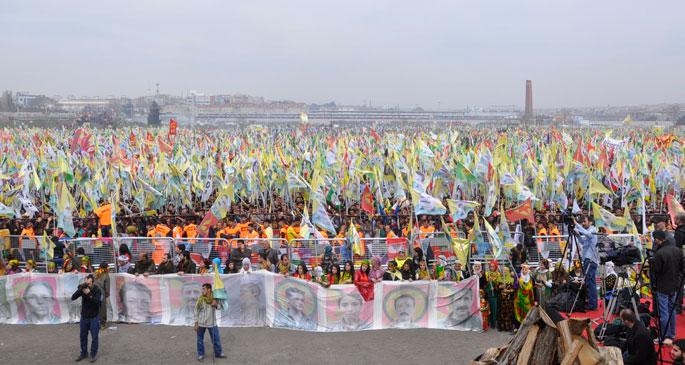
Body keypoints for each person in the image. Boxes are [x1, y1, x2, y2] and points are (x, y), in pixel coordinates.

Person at [651, 230, 684, 345]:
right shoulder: (678, 251)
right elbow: (681, 268)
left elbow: (656, 271)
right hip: (674, 285)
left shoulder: (660, 253)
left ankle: (664, 336)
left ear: (657, 239)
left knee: (664, 312)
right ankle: (672, 334)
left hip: (663, 286)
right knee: (672, 310)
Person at [71, 274, 103, 362]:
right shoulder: (83, 288)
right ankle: (83, 353)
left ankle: (93, 354)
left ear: (92, 281)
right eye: (86, 281)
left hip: (94, 317)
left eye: (88, 281)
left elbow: (97, 303)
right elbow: (73, 297)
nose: (87, 283)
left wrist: (89, 294)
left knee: (94, 337)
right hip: (84, 317)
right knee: (83, 336)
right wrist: (81, 288)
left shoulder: (97, 290)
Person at [194, 283, 226, 362]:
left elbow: (221, 307)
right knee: (199, 339)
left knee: (216, 339)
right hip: (201, 323)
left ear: (209, 289)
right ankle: (200, 354)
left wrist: (215, 305)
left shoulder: (215, 298)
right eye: (202, 288)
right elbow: (196, 311)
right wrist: (196, 323)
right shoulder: (200, 299)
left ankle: (218, 353)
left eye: (204, 288)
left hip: (212, 322)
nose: (203, 290)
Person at [574, 215, 599, 310]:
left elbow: (588, 234)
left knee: (591, 283)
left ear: (591, 222)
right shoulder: (589, 232)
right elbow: (583, 242)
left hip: (591, 259)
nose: (583, 223)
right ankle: (591, 303)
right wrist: (578, 235)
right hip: (587, 259)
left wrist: (577, 224)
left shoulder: (593, 230)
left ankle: (593, 305)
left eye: (585, 221)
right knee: (589, 282)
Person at [94, 262, 110, 328]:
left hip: (93, 291)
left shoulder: (95, 273)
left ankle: (94, 323)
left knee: (95, 307)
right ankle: (102, 323)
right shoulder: (106, 275)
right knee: (102, 308)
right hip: (101, 292)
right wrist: (107, 295)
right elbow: (107, 287)